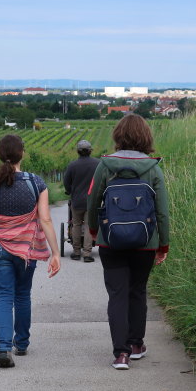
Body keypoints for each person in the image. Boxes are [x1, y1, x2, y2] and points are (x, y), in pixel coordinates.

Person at [0, 134, 61, 369]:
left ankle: (4, 348)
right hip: (27, 249)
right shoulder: (36, 183)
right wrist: (56, 253)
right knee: (23, 294)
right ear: (22, 154)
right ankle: (22, 343)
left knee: (4, 296)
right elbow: (46, 220)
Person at [87, 114, 170, 370]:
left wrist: (93, 230)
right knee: (137, 291)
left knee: (117, 294)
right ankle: (136, 345)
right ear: (146, 137)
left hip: (111, 241)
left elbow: (93, 202)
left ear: (118, 135)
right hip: (145, 242)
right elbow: (162, 212)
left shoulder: (105, 165)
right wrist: (163, 245)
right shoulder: (153, 168)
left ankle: (120, 354)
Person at [63, 140, 100, 262]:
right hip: (92, 201)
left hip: (77, 201)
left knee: (76, 224)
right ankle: (87, 254)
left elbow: (66, 183)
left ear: (78, 151)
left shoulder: (72, 165)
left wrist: (70, 191)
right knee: (89, 225)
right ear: (90, 151)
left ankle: (76, 252)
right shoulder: (97, 164)